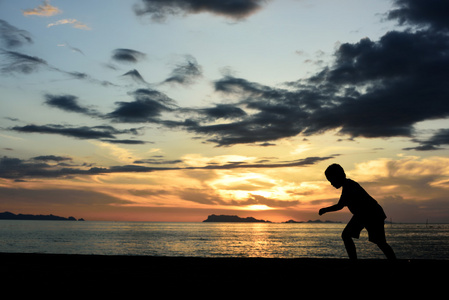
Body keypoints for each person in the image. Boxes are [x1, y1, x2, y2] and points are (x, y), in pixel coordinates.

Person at [319, 163, 396, 260]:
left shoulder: (349, 186)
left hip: (370, 214)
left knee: (349, 236)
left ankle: (354, 262)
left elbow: (339, 206)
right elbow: (341, 205)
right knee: (378, 241)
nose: (331, 183)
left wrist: (325, 210)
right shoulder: (348, 185)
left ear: (337, 176)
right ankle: (393, 262)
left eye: (331, 180)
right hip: (367, 214)